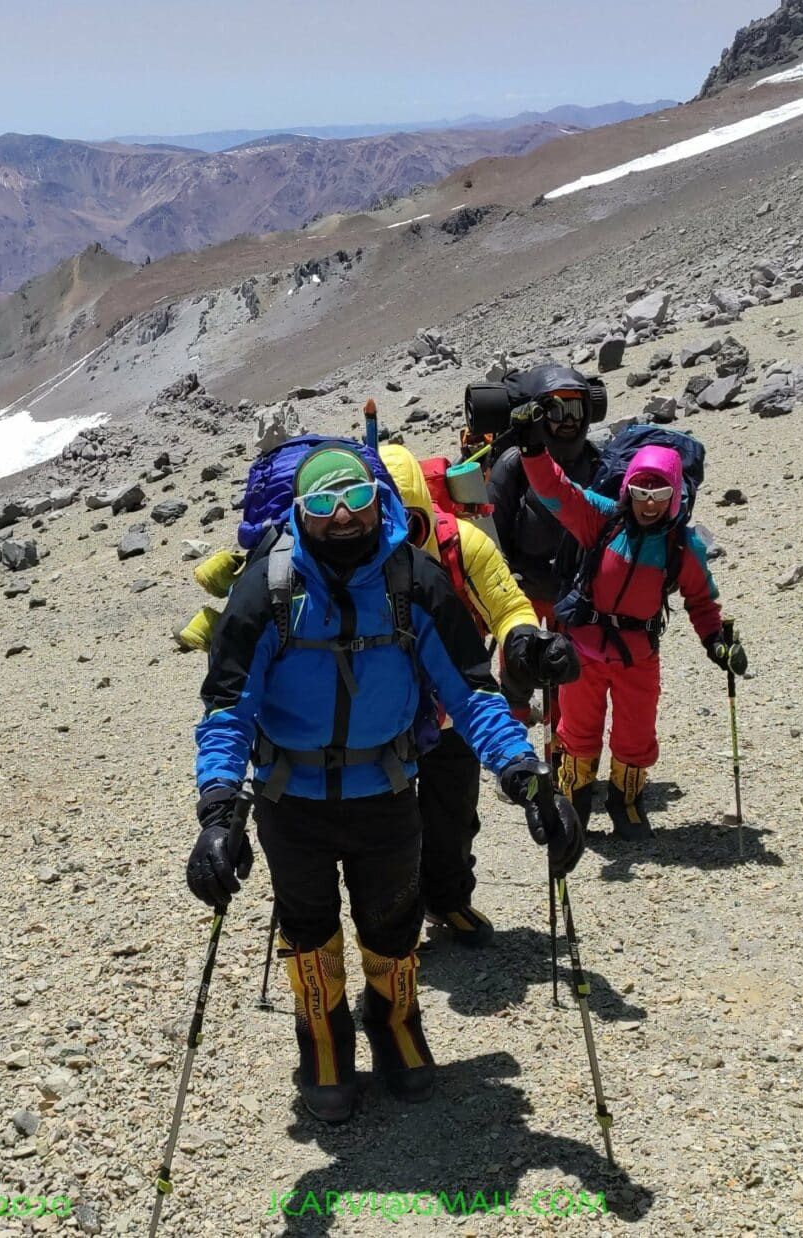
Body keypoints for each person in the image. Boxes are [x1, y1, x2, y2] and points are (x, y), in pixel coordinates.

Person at [185, 443, 581, 1123]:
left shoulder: (415, 583)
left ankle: (395, 1025)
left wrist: (525, 773)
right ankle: (324, 1038)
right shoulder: (268, 592)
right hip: (290, 800)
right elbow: (229, 707)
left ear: (380, 501)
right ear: (299, 514)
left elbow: (471, 691)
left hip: (389, 792)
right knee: (308, 927)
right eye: (322, 505)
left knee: (392, 922)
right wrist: (220, 808)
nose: (343, 519)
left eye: (357, 500)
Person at [378, 444, 576, 948]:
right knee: (386, 826)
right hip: (380, 715)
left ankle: (447, 899)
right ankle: (392, 921)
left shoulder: (464, 545)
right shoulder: (346, 557)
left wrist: (526, 641)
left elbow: (508, 604)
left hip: (456, 707)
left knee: (453, 814)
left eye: (412, 525)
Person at [516, 428, 747, 837]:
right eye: (641, 492)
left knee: (636, 734)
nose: (650, 503)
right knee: (577, 731)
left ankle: (627, 805)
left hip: (638, 656)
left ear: (676, 496)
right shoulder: (601, 519)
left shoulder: (682, 547)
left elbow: (702, 602)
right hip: (583, 650)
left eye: (660, 494)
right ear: (627, 489)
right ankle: (575, 804)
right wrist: (534, 449)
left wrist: (717, 642)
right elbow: (556, 491)